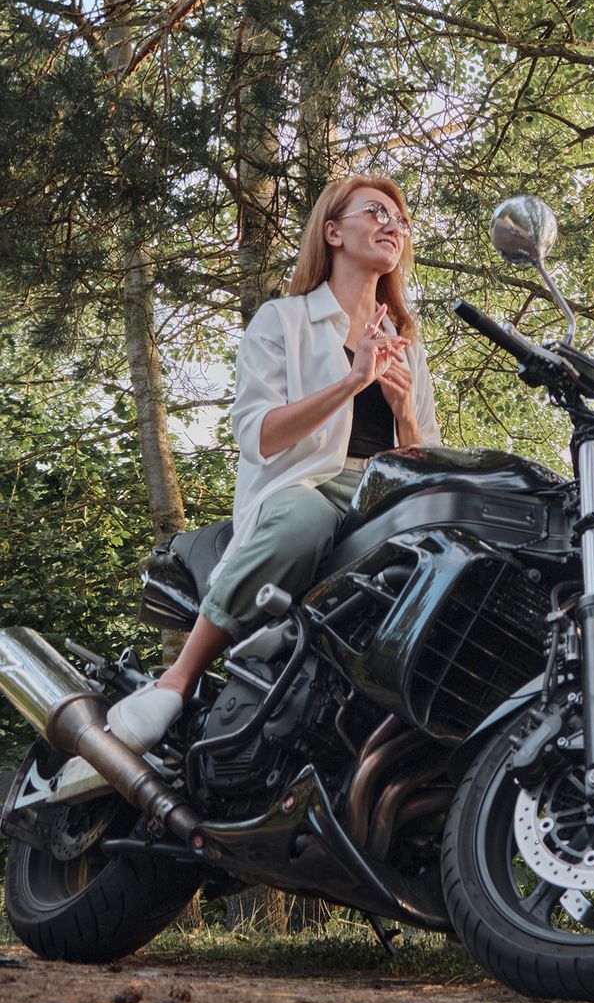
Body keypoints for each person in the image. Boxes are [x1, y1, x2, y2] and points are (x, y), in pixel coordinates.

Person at [109, 175, 440, 751]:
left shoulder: (409, 347)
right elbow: (257, 435)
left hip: (384, 494)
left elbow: (428, 461)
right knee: (302, 522)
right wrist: (352, 381)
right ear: (333, 232)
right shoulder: (282, 321)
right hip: (305, 487)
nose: (394, 224)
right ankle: (178, 678)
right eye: (376, 211)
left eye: (402, 220)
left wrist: (404, 412)